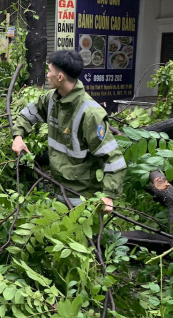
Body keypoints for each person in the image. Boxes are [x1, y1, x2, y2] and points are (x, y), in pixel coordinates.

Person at [11, 50, 127, 213]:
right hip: (58, 189)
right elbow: (28, 113)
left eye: (49, 70)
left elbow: (114, 157)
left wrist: (108, 195)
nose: (47, 74)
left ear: (60, 77)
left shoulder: (90, 114)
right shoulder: (52, 99)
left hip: (82, 199)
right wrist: (18, 136)